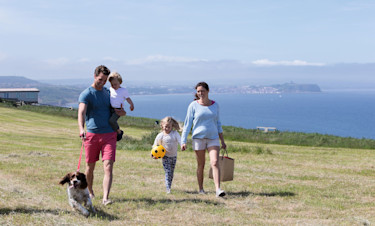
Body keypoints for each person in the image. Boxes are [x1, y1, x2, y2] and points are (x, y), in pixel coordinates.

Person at [78, 65, 126, 206]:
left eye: (105, 80)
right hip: (92, 135)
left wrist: (121, 112)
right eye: (100, 79)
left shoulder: (108, 92)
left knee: (108, 166)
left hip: (109, 134)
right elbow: (81, 113)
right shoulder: (86, 94)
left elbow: (119, 110)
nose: (102, 82)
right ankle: (90, 192)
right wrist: (81, 129)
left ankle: (105, 198)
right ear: (94, 76)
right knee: (89, 167)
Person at [181, 81, 227, 197]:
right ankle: (201, 189)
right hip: (198, 139)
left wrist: (222, 141)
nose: (200, 93)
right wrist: (183, 141)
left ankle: (218, 189)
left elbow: (218, 123)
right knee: (201, 165)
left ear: (208, 91)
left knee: (215, 162)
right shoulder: (193, 106)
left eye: (202, 91)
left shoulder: (215, 105)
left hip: (213, 138)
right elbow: (187, 124)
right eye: (198, 91)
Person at [152, 116, 182, 194]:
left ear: (172, 126)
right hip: (165, 157)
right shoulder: (160, 136)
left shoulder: (175, 134)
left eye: (169, 127)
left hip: (174, 156)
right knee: (168, 172)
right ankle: (168, 188)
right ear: (162, 126)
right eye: (166, 127)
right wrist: (153, 154)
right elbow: (155, 146)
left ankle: (169, 185)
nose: (167, 128)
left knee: (171, 173)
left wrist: (182, 145)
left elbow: (180, 140)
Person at [108, 71, 135, 141]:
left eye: (115, 84)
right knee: (108, 122)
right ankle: (112, 134)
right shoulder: (110, 89)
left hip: (118, 110)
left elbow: (128, 98)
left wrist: (131, 104)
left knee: (112, 121)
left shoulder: (123, 90)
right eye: (112, 84)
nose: (113, 86)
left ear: (120, 82)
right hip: (110, 108)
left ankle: (119, 132)